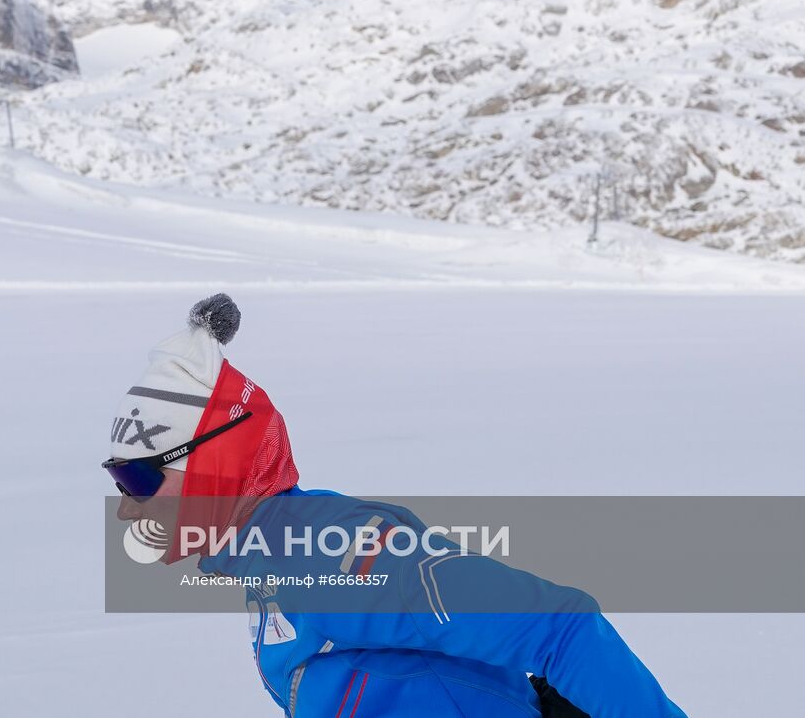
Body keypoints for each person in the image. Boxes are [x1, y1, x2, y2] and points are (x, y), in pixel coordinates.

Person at [103, 294, 687, 718]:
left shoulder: (329, 556)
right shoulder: (269, 561)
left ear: (218, 464)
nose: (127, 510)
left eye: (136, 476)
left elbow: (561, 627)